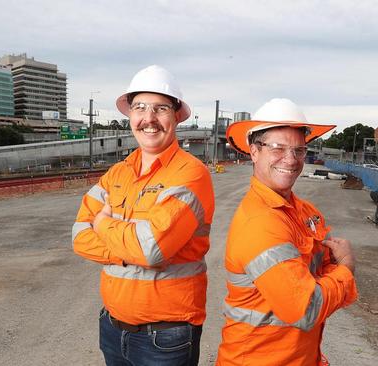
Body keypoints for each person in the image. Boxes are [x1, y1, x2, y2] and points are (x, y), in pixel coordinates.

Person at [72, 65, 215, 366]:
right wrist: (127, 250)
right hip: (112, 327)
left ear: (176, 115)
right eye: (140, 107)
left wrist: (104, 224)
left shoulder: (190, 174)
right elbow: (79, 237)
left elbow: (151, 249)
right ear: (130, 115)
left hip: (165, 338)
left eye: (160, 108)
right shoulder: (118, 172)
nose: (148, 119)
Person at [216, 98, 358, 366]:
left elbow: (321, 271)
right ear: (254, 151)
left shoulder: (305, 212)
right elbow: (307, 308)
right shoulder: (260, 222)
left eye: (299, 150)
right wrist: (347, 267)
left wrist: (323, 281)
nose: (291, 160)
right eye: (278, 148)